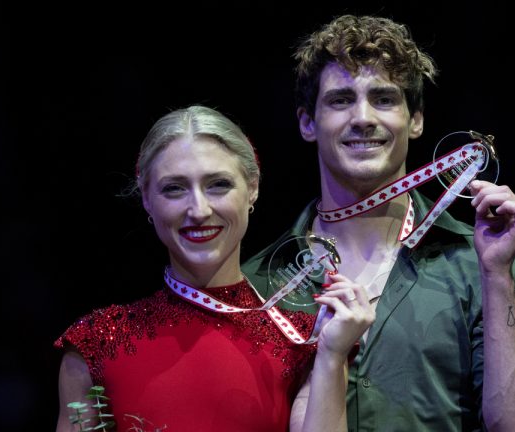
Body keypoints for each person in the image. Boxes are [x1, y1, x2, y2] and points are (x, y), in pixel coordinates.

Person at [242, 15, 515, 431]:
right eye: (340, 100)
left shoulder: (475, 263)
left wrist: (497, 274)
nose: (363, 118)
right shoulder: (257, 287)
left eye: (384, 99)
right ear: (306, 122)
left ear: (416, 120)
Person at [54, 105, 374, 432]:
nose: (199, 209)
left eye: (218, 184)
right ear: (147, 199)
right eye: (174, 188)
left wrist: (332, 355)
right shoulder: (95, 344)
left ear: (252, 188)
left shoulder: (305, 340)